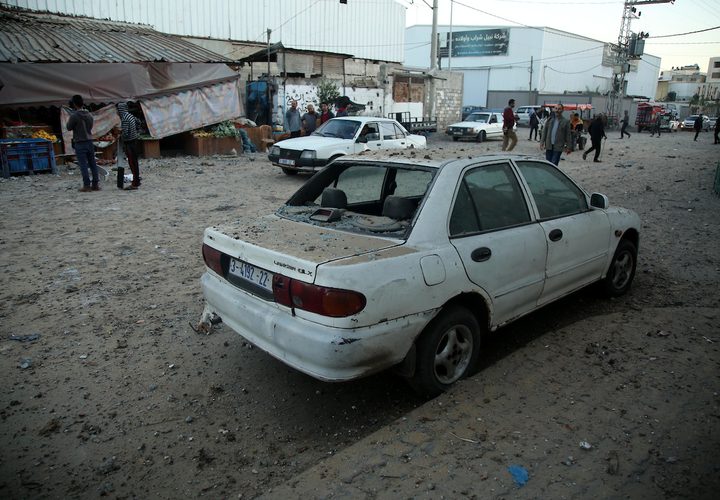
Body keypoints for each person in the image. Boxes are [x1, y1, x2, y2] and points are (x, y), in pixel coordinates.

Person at [66, 94, 100, 192]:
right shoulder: (89, 115)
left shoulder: (74, 116)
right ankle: (95, 184)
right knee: (92, 163)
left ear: (74, 104)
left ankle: (86, 185)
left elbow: (69, 127)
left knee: (83, 165)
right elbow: (90, 127)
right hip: (89, 141)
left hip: (80, 142)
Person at [117, 102, 142, 190]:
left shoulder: (124, 118)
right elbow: (138, 122)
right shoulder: (130, 115)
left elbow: (126, 133)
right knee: (135, 163)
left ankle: (135, 183)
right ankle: (137, 180)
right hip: (135, 140)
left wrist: (120, 135)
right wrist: (136, 132)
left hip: (129, 143)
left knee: (132, 163)